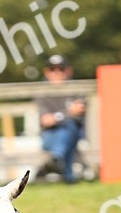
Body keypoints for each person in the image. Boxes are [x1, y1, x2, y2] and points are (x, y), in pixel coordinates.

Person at [36, 54, 86, 184]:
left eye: (61, 69)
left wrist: (56, 117)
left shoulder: (77, 89)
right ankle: (66, 172)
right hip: (49, 137)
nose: (57, 73)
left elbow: (78, 113)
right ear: (47, 72)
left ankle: (56, 160)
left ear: (68, 71)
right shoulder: (41, 91)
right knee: (66, 130)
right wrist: (67, 113)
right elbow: (46, 121)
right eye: (53, 69)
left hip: (72, 134)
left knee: (68, 129)